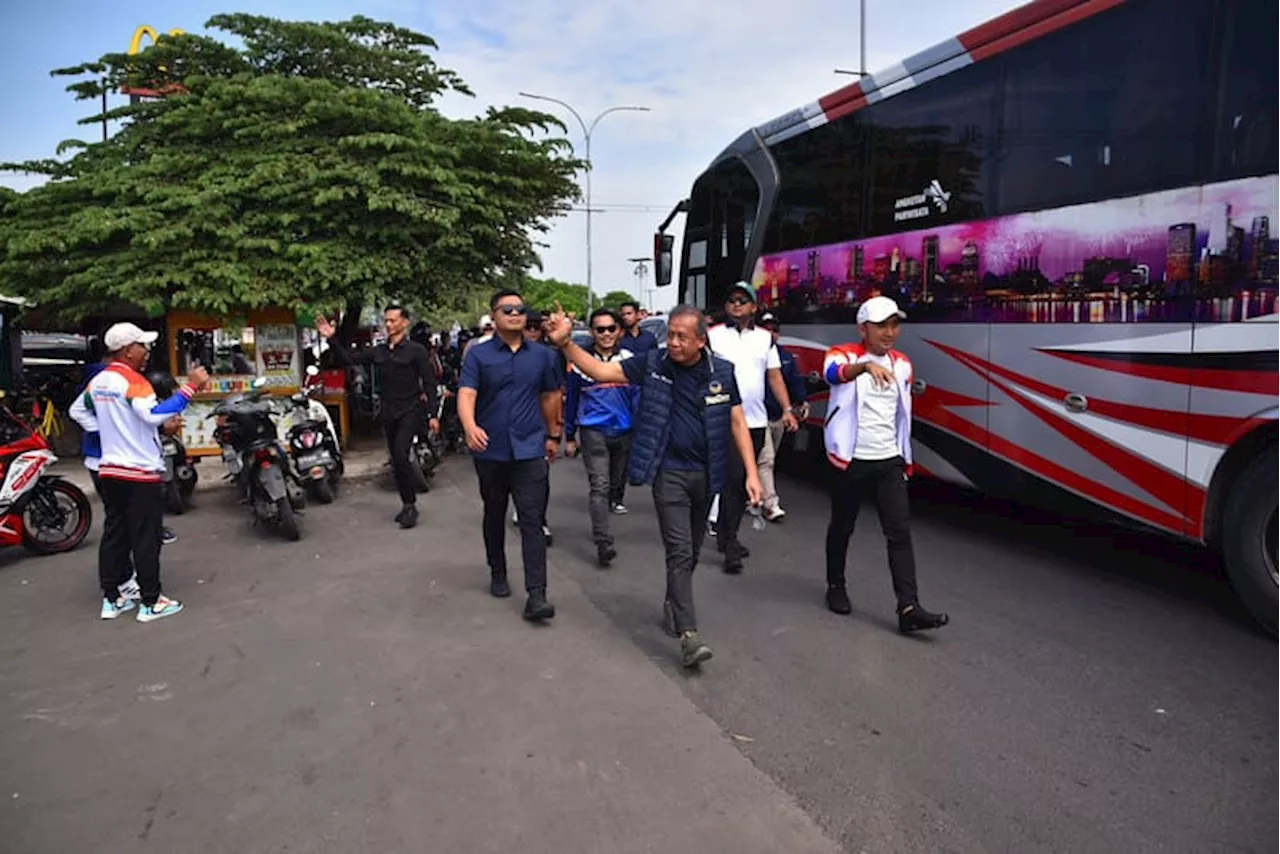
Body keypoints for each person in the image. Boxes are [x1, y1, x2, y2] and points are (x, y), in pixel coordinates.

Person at [546, 303, 765, 669]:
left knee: (692, 552)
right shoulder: (652, 363)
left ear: (700, 340)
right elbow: (601, 369)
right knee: (679, 552)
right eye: (671, 334)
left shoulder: (722, 372)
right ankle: (689, 635)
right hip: (669, 473)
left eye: (682, 337)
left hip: (707, 474)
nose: (674, 342)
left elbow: (738, 422)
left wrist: (752, 474)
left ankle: (673, 602)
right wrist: (566, 343)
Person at [821, 296, 949, 634]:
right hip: (850, 459)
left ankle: (908, 607)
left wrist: (905, 457)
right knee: (842, 526)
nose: (890, 332)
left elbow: (901, 413)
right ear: (863, 328)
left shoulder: (903, 364)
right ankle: (836, 585)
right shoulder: (843, 353)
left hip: (888, 459)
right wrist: (864, 367)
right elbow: (832, 375)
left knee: (899, 532)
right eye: (882, 326)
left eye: (895, 325)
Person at [87, 323, 209, 622]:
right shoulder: (134, 381)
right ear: (128, 351)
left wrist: (114, 429)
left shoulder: (99, 382)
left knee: (114, 534)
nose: (147, 351)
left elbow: (84, 411)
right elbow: (153, 414)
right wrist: (190, 387)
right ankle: (151, 602)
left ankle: (112, 599)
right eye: (143, 345)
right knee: (146, 537)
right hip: (139, 472)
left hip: (110, 469)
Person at [457, 289, 564, 622]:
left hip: (530, 448)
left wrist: (553, 434)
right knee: (494, 512)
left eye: (520, 309)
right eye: (508, 309)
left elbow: (550, 396)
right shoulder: (479, 355)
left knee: (532, 520)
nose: (516, 314)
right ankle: (498, 570)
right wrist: (470, 426)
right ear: (494, 315)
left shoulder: (543, 356)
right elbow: (467, 393)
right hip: (491, 449)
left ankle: (537, 595)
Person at [316, 306, 440, 529]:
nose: (389, 324)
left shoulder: (416, 351)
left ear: (405, 322)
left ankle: (410, 505)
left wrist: (432, 413)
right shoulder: (380, 351)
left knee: (402, 455)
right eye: (386, 321)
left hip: (410, 410)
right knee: (396, 460)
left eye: (393, 320)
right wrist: (331, 338)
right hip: (388, 411)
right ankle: (407, 504)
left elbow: (429, 382)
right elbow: (349, 359)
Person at [706, 282, 799, 573]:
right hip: (720, 420)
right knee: (731, 481)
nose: (736, 305)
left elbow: (774, 377)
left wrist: (786, 409)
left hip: (755, 422)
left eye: (743, 301)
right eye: (732, 300)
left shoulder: (764, 339)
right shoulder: (712, 336)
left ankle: (725, 535)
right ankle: (729, 543)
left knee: (740, 485)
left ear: (753, 307)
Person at [564, 308, 637, 566]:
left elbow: (638, 396)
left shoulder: (630, 359)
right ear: (592, 332)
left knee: (615, 486)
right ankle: (603, 541)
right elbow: (571, 399)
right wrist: (569, 436)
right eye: (600, 329)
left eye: (611, 328)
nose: (606, 334)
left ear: (619, 331)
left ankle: (605, 515)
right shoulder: (580, 362)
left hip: (624, 432)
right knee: (600, 485)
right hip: (593, 431)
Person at [756, 312, 808, 522]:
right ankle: (771, 504)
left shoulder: (785, 357)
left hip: (778, 415)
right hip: (757, 416)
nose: (771, 333)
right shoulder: (753, 355)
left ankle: (751, 492)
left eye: (774, 329)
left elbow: (795, 381)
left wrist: (801, 402)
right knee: (765, 459)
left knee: (769, 458)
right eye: (766, 328)